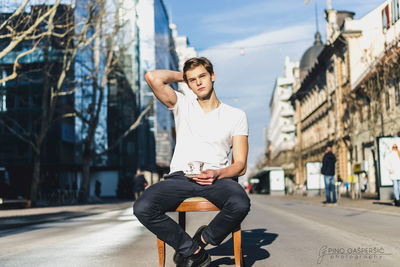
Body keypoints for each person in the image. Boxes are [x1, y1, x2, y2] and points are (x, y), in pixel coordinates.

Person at [133, 57, 250, 267]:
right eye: (193, 80)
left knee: (240, 203)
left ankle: (201, 240)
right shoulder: (182, 104)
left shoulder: (236, 115)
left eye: (203, 76)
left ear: (213, 76)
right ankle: (194, 252)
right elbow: (152, 77)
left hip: (217, 178)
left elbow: (240, 164)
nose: (198, 82)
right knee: (143, 206)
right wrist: (184, 77)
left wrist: (218, 173)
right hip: (180, 177)